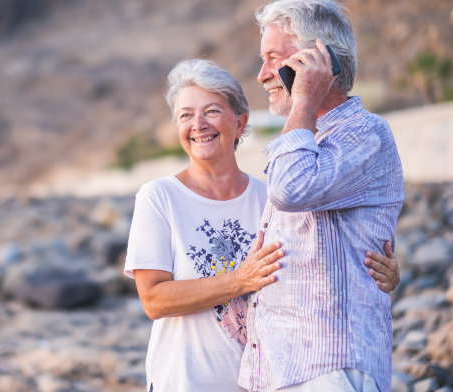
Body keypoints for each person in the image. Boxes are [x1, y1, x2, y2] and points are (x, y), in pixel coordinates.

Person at [124, 59, 400, 392]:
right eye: (185, 115)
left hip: (267, 384)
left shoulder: (273, 198)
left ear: (240, 123)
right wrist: (239, 280)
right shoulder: (159, 197)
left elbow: (317, 267)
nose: (198, 124)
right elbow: (154, 300)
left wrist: (380, 272)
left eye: (211, 111)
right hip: (184, 384)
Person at [237, 0, 404, 392]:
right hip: (285, 370)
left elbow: (290, 188)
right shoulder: (313, 136)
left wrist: (305, 98)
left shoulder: (365, 133)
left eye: (274, 57)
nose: (262, 74)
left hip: (329, 370)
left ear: (318, 60)